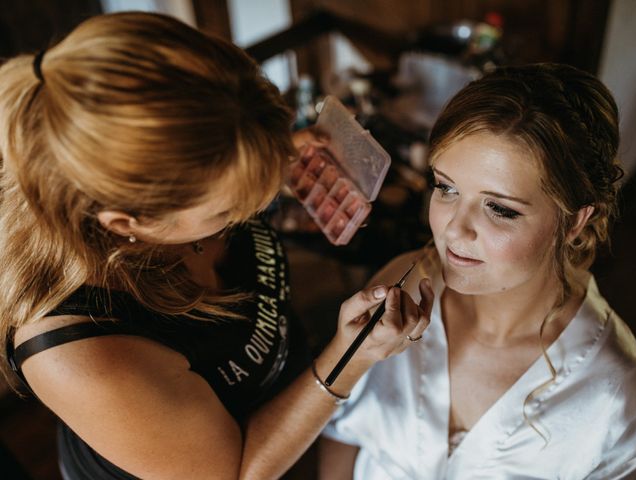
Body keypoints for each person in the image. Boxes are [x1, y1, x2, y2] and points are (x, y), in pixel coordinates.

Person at [0, 12, 433, 480]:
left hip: (297, 417)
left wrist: (274, 160)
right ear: (129, 222)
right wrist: (350, 358)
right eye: (230, 209)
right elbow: (236, 471)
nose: (260, 201)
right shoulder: (82, 353)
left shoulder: (184, 183)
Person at [320, 63, 636, 479]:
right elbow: (344, 431)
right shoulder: (400, 286)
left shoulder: (614, 393)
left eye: (500, 208)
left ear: (575, 221)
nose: (454, 229)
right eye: (446, 188)